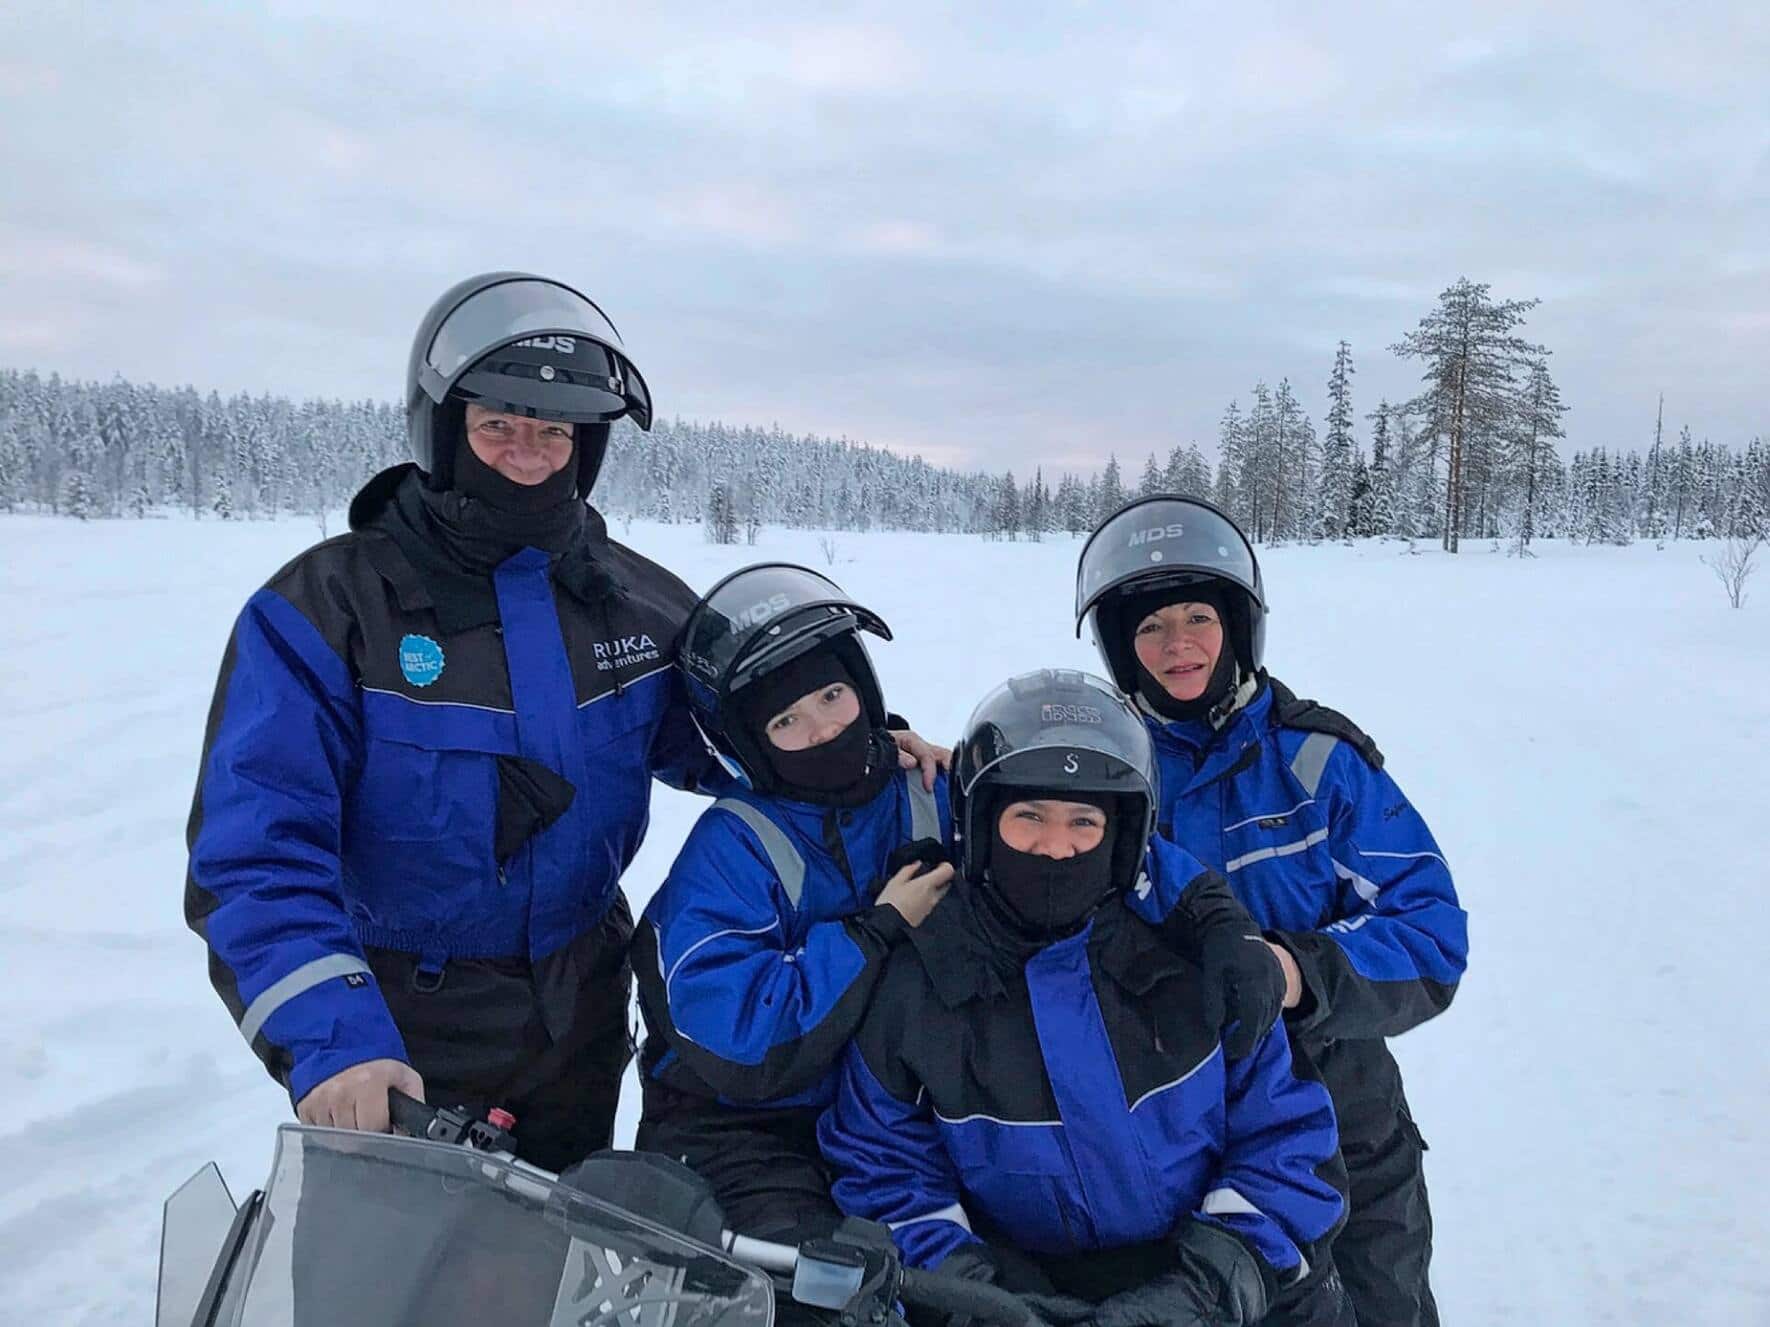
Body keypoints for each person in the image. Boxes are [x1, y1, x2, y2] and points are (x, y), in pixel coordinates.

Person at [183, 272, 944, 1172]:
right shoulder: (329, 609)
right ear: (443, 428)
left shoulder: (632, 600)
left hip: (580, 1006)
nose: (529, 453)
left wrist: (869, 749)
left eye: (554, 431)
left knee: (563, 1243)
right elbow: (257, 854)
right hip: (401, 1026)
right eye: (498, 424)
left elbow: (748, 729)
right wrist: (335, 1035)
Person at [818, 670, 1353, 1327]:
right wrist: (969, 1296)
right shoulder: (921, 981)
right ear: (983, 826)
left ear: (1121, 836)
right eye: (1028, 818)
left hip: (1227, 1286)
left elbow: (1288, 1136)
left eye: (1084, 822)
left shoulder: (1195, 958)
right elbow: (885, 1168)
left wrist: (1211, 1287)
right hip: (1021, 1289)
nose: (1055, 847)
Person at [1074, 494, 1469, 1327]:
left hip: (1340, 1111)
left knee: (1381, 1307)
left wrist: (1293, 971)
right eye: (1150, 627)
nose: (1177, 644)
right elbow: (1013, 847)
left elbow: (1427, 929)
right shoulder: (1100, 771)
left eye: (1197, 616)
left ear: (1238, 624)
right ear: (1119, 645)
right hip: (1171, 1123)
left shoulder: (1317, 758)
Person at [631, 563, 957, 1244]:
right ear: (753, 741)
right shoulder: (735, 846)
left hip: (898, 1108)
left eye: (833, 695)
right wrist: (873, 933)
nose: (823, 730)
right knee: (807, 1280)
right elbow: (737, 1033)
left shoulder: (927, 787)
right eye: (787, 720)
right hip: (743, 1129)